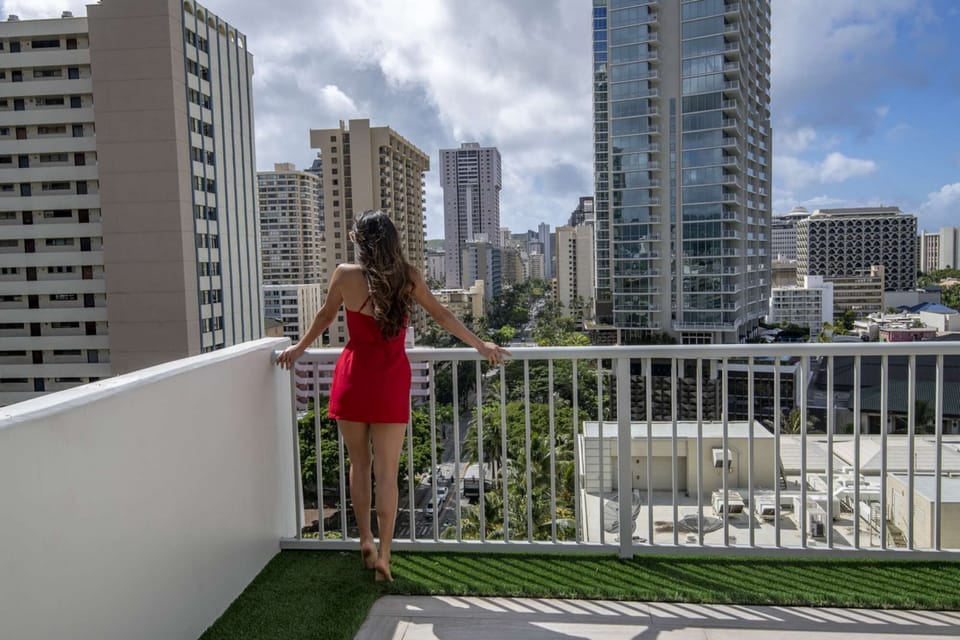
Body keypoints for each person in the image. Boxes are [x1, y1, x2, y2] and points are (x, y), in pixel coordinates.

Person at [275, 210, 508, 582]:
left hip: (353, 377)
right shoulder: (408, 276)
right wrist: (480, 345)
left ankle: (364, 537)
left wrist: (299, 349)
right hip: (389, 382)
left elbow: (323, 317)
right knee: (387, 472)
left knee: (359, 465)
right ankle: (384, 553)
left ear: (360, 240)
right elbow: (443, 316)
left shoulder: (345, 275)